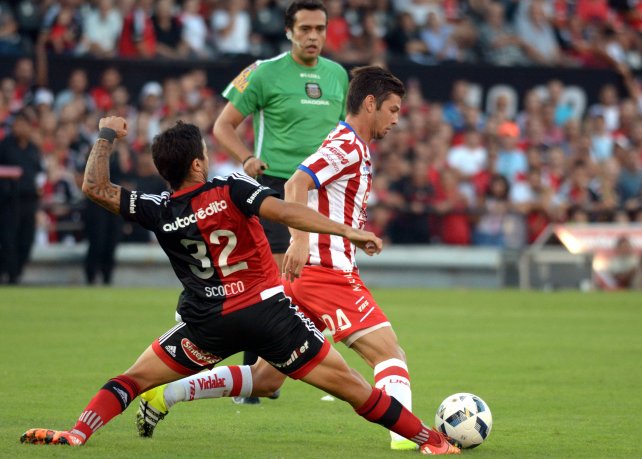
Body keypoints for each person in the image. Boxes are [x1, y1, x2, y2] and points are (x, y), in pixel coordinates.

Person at [19, 116, 459, 456]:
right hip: (269, 314)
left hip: (207, 325)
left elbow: (95, 187)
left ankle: (77, 433)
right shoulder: (230, 188)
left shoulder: (156, 208)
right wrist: (348, 232)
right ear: (197, 162)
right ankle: (431, 440)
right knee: (356, 390)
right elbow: (288, 213)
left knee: (130, 380)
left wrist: (105, 135)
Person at [135, 66, 421, 452]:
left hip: (305, 276)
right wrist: (300, 240)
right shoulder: (347, 144)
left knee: (267, 378)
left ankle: (164, 396)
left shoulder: (352, 145)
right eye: (392, 109)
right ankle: (408, 441)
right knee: (388, 351)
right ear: (370, 104)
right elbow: (295, 182)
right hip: (326, 273)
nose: (395, 119)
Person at [212, 0, 348, 401]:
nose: (313, 36)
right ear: (289, 31)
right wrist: (247, 158)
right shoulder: (261, 72)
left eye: (320, 29)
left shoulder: (338, 75)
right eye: (305, 29)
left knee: (326, 275)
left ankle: (290, 369)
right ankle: (254, 378)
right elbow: (223, 126)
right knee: (272, 281)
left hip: (324, 189)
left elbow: (345, 134)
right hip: (274, 187)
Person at [0, 110, 43, 284]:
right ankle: (11, 275)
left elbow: (40, 172)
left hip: (29, 200)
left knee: (27, 239)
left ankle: (17, 270)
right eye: (16, 125)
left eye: (23, 124)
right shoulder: (4, 146)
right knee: (9, 239)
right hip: (8, 200)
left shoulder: (33, 149)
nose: (19, 128)